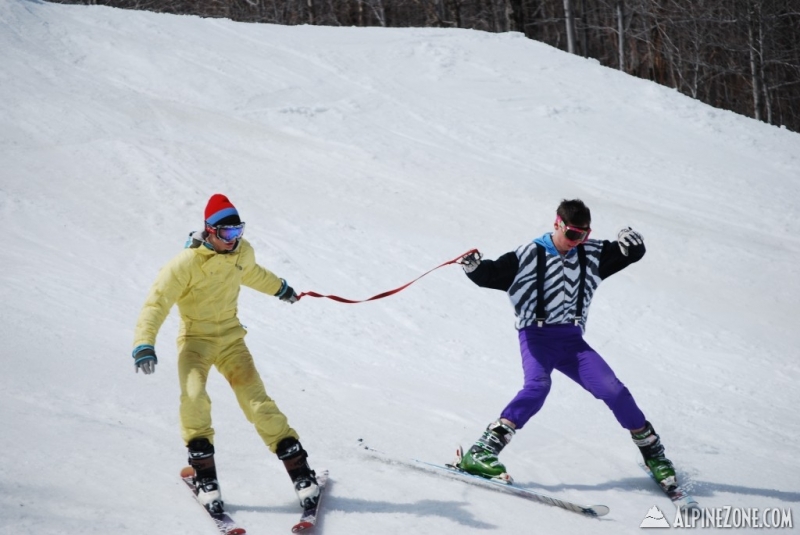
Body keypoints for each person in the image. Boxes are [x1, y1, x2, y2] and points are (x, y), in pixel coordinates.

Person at [454, 199, 677, 491]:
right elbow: (491, 275)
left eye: (584, 235)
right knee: (537, 387)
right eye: (573, 234)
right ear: (557, 224)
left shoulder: (591, 253)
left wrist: (632, 243)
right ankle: (481, 452)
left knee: (614, 390)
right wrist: (473, 267)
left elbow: (629, 254)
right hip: (537, 337)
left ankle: (655, 456)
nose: (578, 241)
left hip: (571, 341)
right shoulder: (529, 255)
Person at [131, 193, 320, 513]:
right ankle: (206, 476)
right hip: (195, 341)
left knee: (257, 402)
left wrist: (281, 288)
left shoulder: (241, 253)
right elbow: (156, 303)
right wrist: (144, 343)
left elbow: (254, 273)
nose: (235, 239)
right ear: (210, 230)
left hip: (232, 340)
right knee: (194, 397)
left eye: (239, 231)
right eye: (229, 233)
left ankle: (301, 472)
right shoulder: (185, 264)